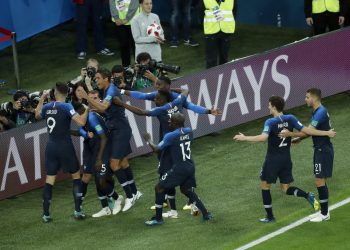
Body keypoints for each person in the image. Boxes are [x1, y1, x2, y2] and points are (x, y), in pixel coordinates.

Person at [233, 95, 336, 223]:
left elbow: (263, 138)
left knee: (265, 186)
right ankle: (307, 195)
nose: (268, 107)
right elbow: (307, 131)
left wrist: (245, 138)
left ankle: (270, 217)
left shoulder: (270, 122)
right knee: (286, 188)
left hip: (272, 160)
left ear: (274, 107)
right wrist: (300, 136)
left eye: (269, 105)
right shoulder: (291, 118)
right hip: (286, 160)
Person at [114, 89, 189, 218]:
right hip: (174, 144)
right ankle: (168, 203)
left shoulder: (162, 109)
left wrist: (122, 104)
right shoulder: (177, 102)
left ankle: (189, 201)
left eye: (158, 98)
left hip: (168, 144)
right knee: (167, 173)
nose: (155, 100)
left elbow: (142, 112)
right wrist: (167, 88)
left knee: (171, 174)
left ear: (165, 99)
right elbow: (185, 90)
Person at [80, 68, 142, 212]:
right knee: (123, 162)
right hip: (115, 130)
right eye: (95, 79)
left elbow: (103, 106)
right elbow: (102, 108)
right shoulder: (105, 90)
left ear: (106, 78)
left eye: (98, 78)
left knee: (114, 164)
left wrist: (86, 97)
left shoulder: (111, 90)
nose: (96, 81)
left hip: (121, 130)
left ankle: (129, 196)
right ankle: (135, 192)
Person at [143, 113, 213, 226]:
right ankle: (206, 214)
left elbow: (156, 149)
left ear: (175, 123)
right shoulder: (189, 130)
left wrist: (148, 140)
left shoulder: (170, 136)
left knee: (159, 188)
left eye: (170, 121)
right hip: (190, 166)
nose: (169, 122)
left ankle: (158, 218)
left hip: (179, 168)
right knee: (186, 190)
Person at [35, 82, 89, 223]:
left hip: (51, 147)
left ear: (54, 93)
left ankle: (46, 214)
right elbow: (81, 123)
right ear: (67, 93)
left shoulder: (47, 106)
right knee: (76, 177)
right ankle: (78, 211)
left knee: (50, 180)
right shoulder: (66, 106)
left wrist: (42, 98)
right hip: (65, 146)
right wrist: (87, 109)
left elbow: (37, 115)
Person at [280, 88, 336, 222]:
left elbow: (309, 131)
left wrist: (291, 134)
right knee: (319, 180)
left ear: (314, 98)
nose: (305, 99)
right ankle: (323, 211)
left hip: (323, 151)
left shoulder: (320, 112)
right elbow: (311, 131)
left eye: (307, 97)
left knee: (319, 180)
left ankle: (324, 214)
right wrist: (300, 138)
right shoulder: (317, 111)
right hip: (320, 149)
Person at [72, 91, 124, 218]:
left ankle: (117, 198)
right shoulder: (83, 117)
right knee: (96, 178)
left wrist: (99, 158)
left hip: (103, 150)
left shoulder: (92, 117)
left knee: (101, 180)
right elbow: (81, 131)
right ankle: (105, 208)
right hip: (91, 148)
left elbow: (104, 138)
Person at [202, 0, 236, 69]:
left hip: (226, 31)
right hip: (211, 31)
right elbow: (200, 11)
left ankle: (223, 77)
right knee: (211, 60)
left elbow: (234, 11)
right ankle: (211, 78)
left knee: (224, 59)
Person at [109, 0, 140, 67]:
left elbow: (135, 3)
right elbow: (112, 2)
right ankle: (126, 67)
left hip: (133, 21)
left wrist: (127, 19)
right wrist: (116, 17)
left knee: (136, 45)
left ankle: (139, 67)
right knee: (123, 45)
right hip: (118, 22)